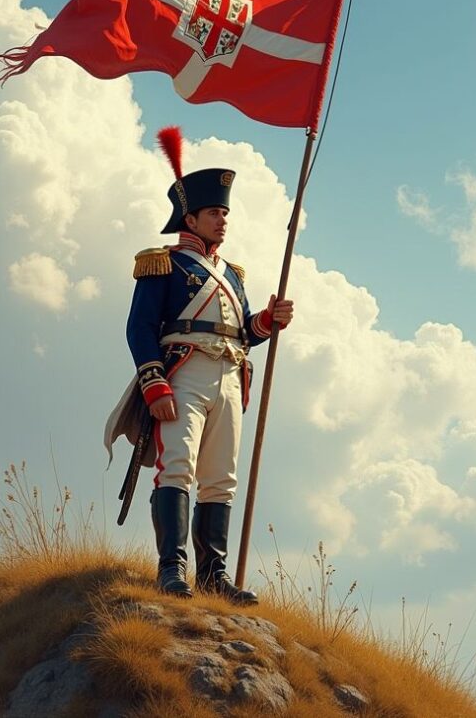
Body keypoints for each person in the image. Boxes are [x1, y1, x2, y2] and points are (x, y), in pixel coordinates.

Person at [125, 127, 293, 602]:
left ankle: (213, 577)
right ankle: (172, 569)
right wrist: (153, 383)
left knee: (221, 477)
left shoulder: (233, 275)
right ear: (190, 217)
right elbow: (140, 329)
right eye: (215, 212)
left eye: (225, 212)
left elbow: (241, 335)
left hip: (229, 376)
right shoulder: (163, 264)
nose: (223, 220)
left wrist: (265, 320)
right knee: (176, 466)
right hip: (184, 373)